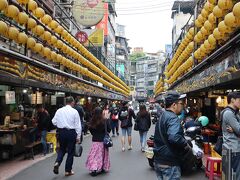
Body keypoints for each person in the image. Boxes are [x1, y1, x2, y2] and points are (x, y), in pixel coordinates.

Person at [154, 91, 191, 180]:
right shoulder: (173, 118)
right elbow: (174, 137)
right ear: (174, 105)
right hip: (169, 163)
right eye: (181, 103)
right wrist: (186, 143)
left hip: (159, 160)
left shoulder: (163, 115)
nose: (183, 106)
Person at [52, 96, 82, 176]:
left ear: (66, 102)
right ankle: (68, 171)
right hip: (71, 133)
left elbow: (53, 122)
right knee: (70, 152)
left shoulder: (59, 111)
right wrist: (78, 137)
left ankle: (57, 162)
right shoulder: (74, 111)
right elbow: (78, 125)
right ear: (72, 102)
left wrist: (61, 124)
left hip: (62, 132)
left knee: (62, 149)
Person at [86, 107, 111, 176]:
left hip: (95, 140)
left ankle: (94, 168)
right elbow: (109, 129)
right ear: (101, 113)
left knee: (94, 155)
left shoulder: (92, 121)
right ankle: (102, 167)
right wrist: (107, 119)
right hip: (103, 140)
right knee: (103, 155)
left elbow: (91, 131)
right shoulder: (104, 121)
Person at [222, 92, 240, 179]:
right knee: (235, 175)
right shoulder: (229, 113)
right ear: (232, 100)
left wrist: (235, 129)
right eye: (239, 100)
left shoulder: (234, 112)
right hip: (234, 149)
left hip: (233, 148)